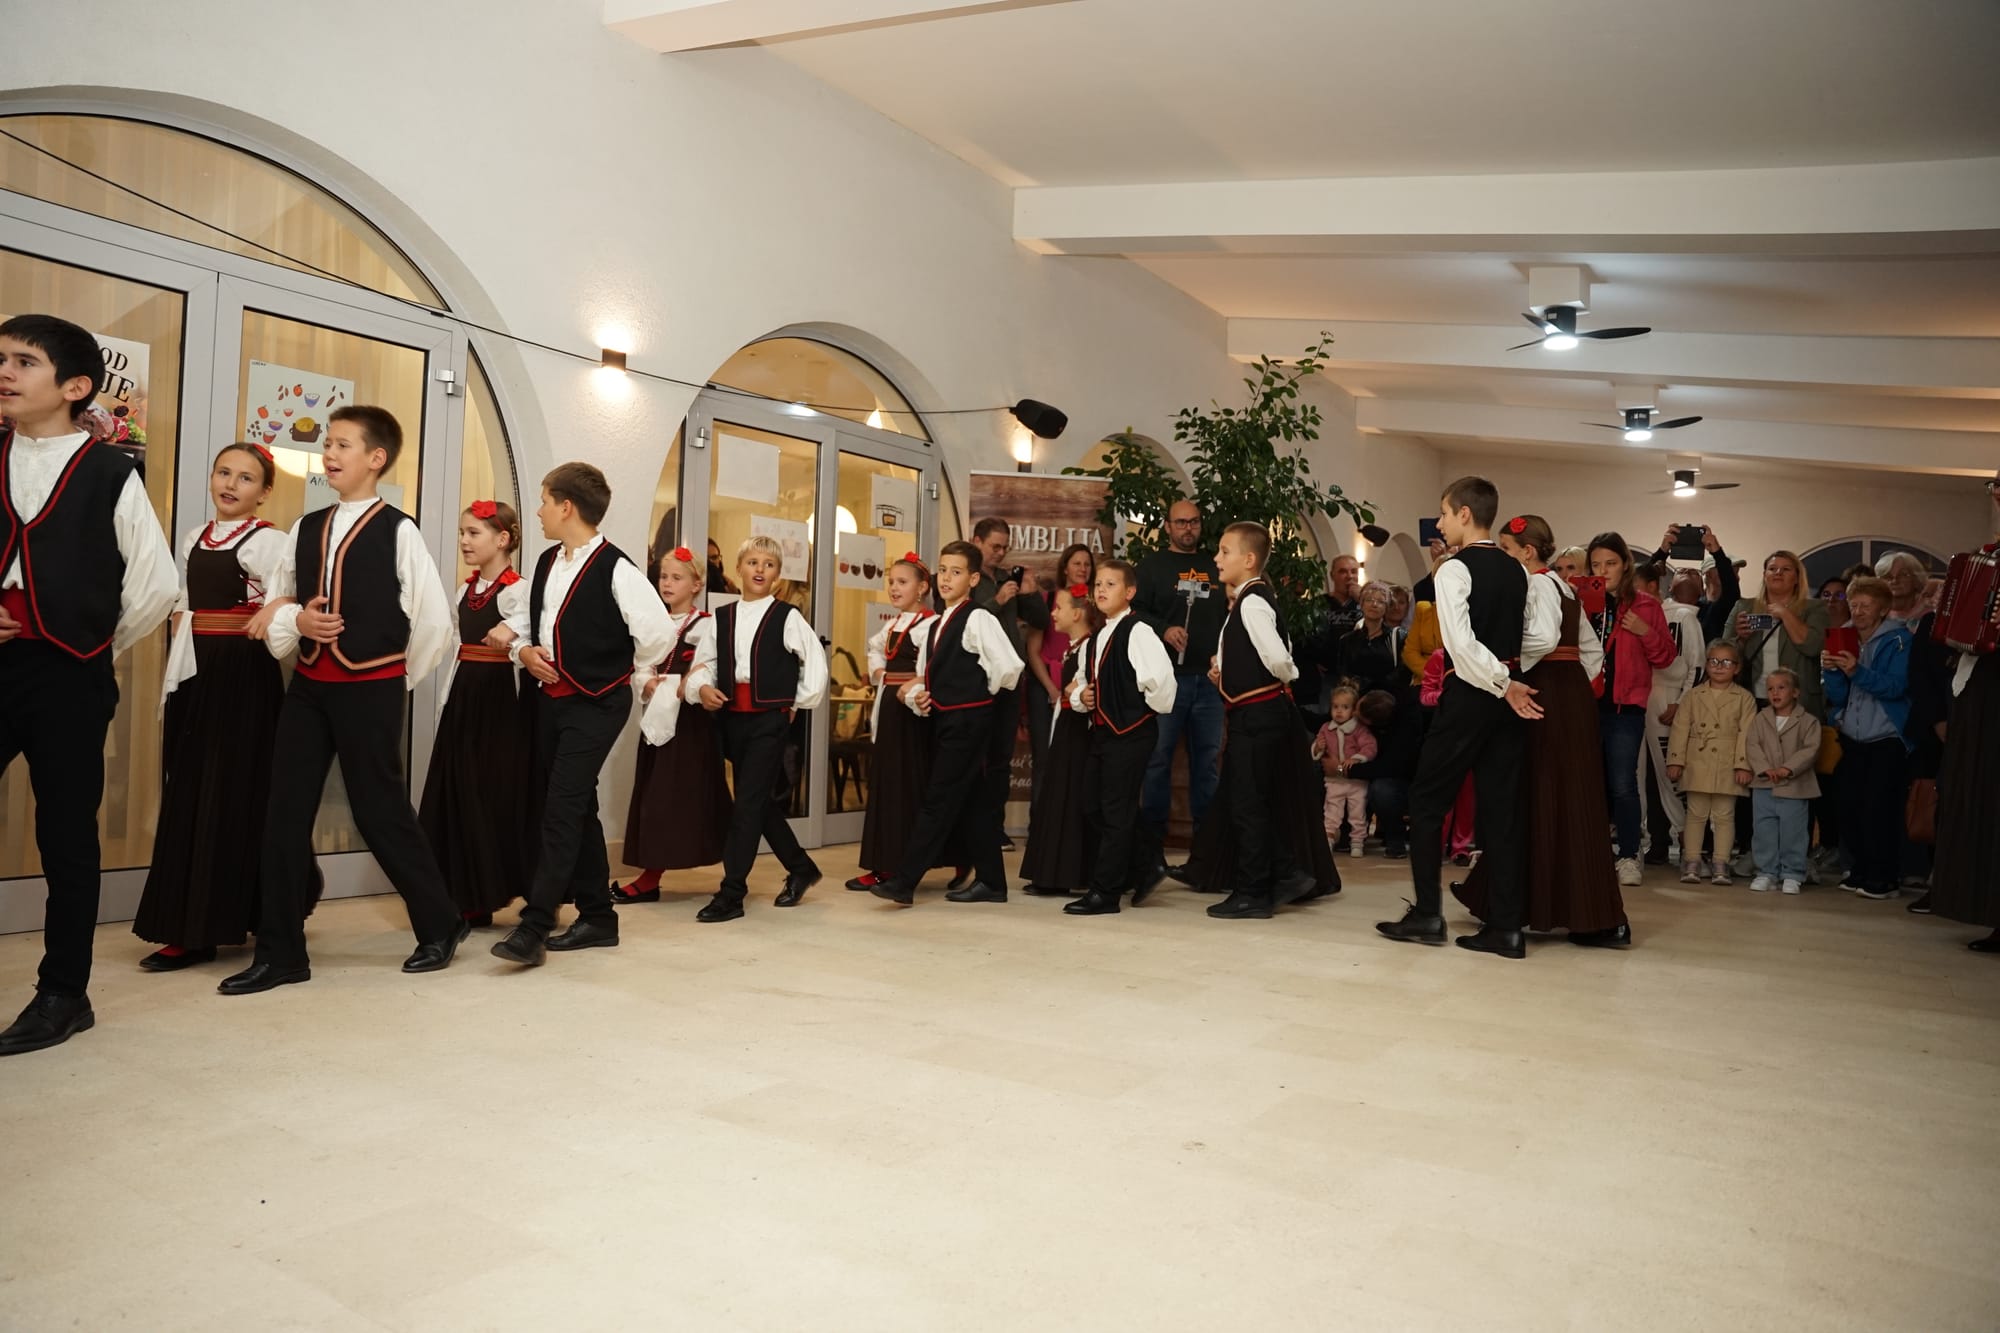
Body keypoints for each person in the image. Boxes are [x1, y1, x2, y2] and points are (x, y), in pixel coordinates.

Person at [221, 406, 466, 996]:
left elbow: (434, 621)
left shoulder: (398, 529)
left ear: (376, 458)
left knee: (380, 811)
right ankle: (281, 953)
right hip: (309, 687)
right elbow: (279, 602)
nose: (329, 453)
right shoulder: (306, 527)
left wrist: (389, 677)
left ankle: (440, 922)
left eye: (343, 445)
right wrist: (299, 621)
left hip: (370, 688)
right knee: (283, 814)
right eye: (327, 443)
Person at [0, 315, 175, 1052]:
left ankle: (64, 992)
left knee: (67, 835)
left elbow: (156, 585)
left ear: (75, 387)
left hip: (69, 674)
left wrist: (88, 644)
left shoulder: (110, 471)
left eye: (24, 361)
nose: (5, 372)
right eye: (2, 359)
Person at [483, 465, 674, 966]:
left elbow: (658, 637)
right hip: (549, 701)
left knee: (561, 808)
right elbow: (532, 625)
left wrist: (613, 666)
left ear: (566, 507)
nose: (539, 511)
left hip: (597, 703)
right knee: (575, 805)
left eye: (545, 501)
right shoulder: (547, 561)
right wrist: (523, 651)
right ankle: (598, 917)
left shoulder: (617, 569)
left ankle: (535, 925)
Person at [130, 443, 287, 972]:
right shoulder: (194, 537)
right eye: (224, 472)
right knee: (191, 789)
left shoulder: (270, 542)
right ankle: (192, 921)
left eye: (245, 478)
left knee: (237, 789)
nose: (230, 484)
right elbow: (180, 599)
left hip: (243, 675)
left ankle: (233, 918)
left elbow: (289, 597)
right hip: (195, 672)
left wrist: (274, 608)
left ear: (264, 492)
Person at [1378, 477, 1544, 960]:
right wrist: (1510, 677)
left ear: (1465, 514)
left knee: (1426, 802)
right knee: (1502, 810)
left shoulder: (1454, 568)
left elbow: (1459, 643)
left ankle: (1428, 915)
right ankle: (1506, 928)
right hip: (1507, 698)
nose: (1441, 523)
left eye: (1445, 513)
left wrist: (1501, 682)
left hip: (1474, 695)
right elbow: (1533, 637)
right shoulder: (1517, 569)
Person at [1452, 514, 1628, 947]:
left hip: (1543, 692)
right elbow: (1591, 652)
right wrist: (1576, 692)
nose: (1503, 558)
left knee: (1538, 793)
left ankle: (1520, 903)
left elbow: (1545, 639)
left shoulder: (1536, 585)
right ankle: (1575, 909)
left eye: (1507, 551)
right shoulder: (1566, 589)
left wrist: (1503, 655)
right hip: (1568, 694)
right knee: (1562, 797)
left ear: (1527, 552)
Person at [869, 541, 1023, 906]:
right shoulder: (938, 624)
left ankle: (904, 881)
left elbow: (1009, 668)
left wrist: (975, 694)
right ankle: (992, 882)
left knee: (937, 800)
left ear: (973, 579)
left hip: (968, 721)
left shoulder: (978, 618)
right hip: (947, 720)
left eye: (957, 572)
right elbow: (930, 674)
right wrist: (924, 694)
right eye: (943, 570)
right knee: (974, 803)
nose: (947, 579)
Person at [684, 534, 829, 922]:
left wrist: (795, 701)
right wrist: (703, 688)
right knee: (757, 801)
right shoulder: (722, 618)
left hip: (769, 720)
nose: (760, 569)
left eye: (769, 564)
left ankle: (731, 893)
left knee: (747, 806)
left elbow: (814, 663)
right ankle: (801, 867)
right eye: (753, 562)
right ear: (739, 569)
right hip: (731, 719)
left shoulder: (787, 616)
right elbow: (705, 663)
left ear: (778, 574)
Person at [1200, 521, 1323, 919]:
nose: (1217, 557)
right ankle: (1285, 873)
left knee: (1247, 803)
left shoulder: (1252, 602)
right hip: (1254, 712)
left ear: (1249, 559)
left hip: (1258, 715)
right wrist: (1225, 672)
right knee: (1248, 800)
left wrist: (1286, 675)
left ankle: (1253, 891)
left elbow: (1278, 656)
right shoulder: (1250, 599)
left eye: (1225, 551)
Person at [417, 498, 530, 929]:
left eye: (473, 533)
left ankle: (492, 890)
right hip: (465, 694)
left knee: (492, 791)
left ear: (502, 539)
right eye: (462, 533)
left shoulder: (520, 592)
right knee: (459, 789)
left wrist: (514, 632)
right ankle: (462, 891)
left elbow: (532, 637)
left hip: (499, 702)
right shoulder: (464, 591)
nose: (464, 541)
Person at [613, 545, 731, 904]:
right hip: (657, 721)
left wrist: (689, 684)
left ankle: (734, 872)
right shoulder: (655, 623)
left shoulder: (706, 626)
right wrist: (645, 680)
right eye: (663, 576)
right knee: (654, 797)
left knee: (696, 798)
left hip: (691, 725)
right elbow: (641, 662)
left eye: (676, 578)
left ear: (696, 584)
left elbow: (709, 667)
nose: (667, 583)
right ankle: (650, 876)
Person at [1062, 559, 1177, 916]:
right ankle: (1147, 863)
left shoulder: (1139, 631)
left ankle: (1106, 892)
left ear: (1129, 592)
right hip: (1103, 733)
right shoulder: (1097, 638)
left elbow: (1162, 683)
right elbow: (1083, 683)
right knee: (1094, 805)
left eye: (1110, 584)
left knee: (1115, 810)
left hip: (1131, 732)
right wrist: (1083, 697)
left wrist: (1138, 709)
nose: (1101, 590)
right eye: (1098, 584)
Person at [1927, 474, 2000, 951]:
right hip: (1984, 690)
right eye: (1996, 487)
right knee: (1981, 797)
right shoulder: (1990, 557)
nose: (1997, 496)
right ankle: (1990, 909)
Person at [1588, 533, 1680, 887]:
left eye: (1610, 563)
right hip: (1584, 704)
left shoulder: (1645, 605)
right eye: (1596, 564)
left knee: (1623, 782)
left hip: (1625, 706)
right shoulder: (1582, 603)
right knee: (1587, 781)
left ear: (1625, 564)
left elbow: (1666, 657)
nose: (1603, 570)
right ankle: (1591, 853)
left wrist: (1644, 631)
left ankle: (1628, 854)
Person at [1133, 500, 1226, 852]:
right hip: (1167, 679)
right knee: (1158, 759)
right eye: (1181, 522)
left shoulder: (1215, 565)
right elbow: (1133, 611)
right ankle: (1151, 845)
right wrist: (1164, 629)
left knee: (1208, 761)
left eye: (1194, 522)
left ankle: (1206, 845)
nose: (1188, 528)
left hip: (1210, 680)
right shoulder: (1151, 566)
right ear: (1168, 526)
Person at [845, 553, 938, 894]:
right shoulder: (892, 625)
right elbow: (874, 650)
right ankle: (884, 864)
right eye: (891, 582)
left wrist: (915, 683)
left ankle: (905, 863)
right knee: (886, 783)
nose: (894, 588)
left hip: (912, 710)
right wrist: (879, 671)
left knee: (907, 784)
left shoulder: (931, 625)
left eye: (903, 582)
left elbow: (933, 667)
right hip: (889, 705)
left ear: (922, 588)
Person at [1822, 576, 1914, 901]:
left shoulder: (1899, 640)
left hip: (1887, 737)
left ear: (1883, 609)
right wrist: (1832, 671)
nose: (1858, 611)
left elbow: (1895, 687)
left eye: (1866, 605)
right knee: (1848, 805)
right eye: (1855, 604)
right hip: (1852, 737)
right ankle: (1859, 870)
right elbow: (1838, 695)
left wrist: (1855, 671)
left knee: (1879, 809)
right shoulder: (1844, 636)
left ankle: (1884, 877)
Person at [1019, 579, 1103, 898]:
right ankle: (1054, 873)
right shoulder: (1074, 648)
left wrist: (1074, 693)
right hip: (1067, 731)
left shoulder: (1089, 649)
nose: (1053, 614)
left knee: (1072, 801)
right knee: (1060, 800)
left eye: (1059, 608)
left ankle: (1070, 873)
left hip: (1079, 735)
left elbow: (1090, 692)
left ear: (1077, 614)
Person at [970, 518, 1050, 849]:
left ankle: (995, 827)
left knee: (1001, 759)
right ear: (976, 542)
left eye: (1005, 547)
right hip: (976, 680)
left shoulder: (1007, 579)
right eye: (995, 546)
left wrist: (1029, 594)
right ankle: (970, 828)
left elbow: (1041, 621)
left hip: (1009, 681)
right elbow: (964, 623)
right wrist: (998, 601)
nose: (1001, 553)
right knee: (975, 757)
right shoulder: (967, 578)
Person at [1666, 640, 1757, 887]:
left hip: (1727, 763)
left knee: (1725, 815)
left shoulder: (1744, 698)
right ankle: (1692, 860)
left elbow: (1747, 734)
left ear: (1737, 668)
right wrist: (1676, 759)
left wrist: (1743, 764)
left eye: (1726, 662)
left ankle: (1721, 863)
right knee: (1696, 814)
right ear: (1706, 665)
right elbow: (1680, 729)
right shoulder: (1693, 695)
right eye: (1713, 661)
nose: (1719, 666)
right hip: (1698, 761)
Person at [1635, 561, 1703, 867]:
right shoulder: (1634, 614)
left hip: (1668, 698)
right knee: (1639, 775)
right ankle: (1645, 842)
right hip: (1638, 697)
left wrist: (1682, 702)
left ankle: (1692, 845)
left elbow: (1697, 664)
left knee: (1671, 772)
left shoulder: (1684, 616)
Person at [1728, 550, 1830, 722]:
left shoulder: (1815, 608)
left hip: (1799, 700)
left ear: (1797, 578)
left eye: (1786, 569)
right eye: (1772, 568)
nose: (1778, 573)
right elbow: (1723, 652)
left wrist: (1785, 613)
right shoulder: (1744, 606)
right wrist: (1741, 639)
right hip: (1753, 699)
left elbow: (1813, 646)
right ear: (1764, 575)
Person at [1746, 667, 1821, 895]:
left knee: (1793, 832)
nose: (1775, 693)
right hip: (1764, 786)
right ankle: (1766, 872)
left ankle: (1792, 873)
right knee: (1763, 830)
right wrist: (1764, 768)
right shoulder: (1760, 719)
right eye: (1770, 689)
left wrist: (1788, 768)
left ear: (1795, 692)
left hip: (1795, 788)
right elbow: (1752, 745)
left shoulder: (1808, 721)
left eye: (1781, 687)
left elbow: (1810, 750)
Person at [1348, 688, 1418, 859]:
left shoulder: (1407, 725)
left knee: (1382, 790)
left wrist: (1344, 770)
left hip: (1406, 777)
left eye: (1357, 713)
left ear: (1370, 723)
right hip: (1372, 768)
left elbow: (1390, 767)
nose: (1353, 713)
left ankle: (1395, 840)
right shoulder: (1378, 694)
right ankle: (1349, 837)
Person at [1645, 525, 1741, 645]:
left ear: (1701, 589)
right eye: (1680, 571)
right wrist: (1662, 552)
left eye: (1694, 573)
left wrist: (1717, 552)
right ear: (1670, 587)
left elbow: (1731, 591)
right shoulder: (1659, 608)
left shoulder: (1711, 613)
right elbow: (1639, 582)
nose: (1687, 570)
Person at [1315, 685, 1376, 857]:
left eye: (1345, 707)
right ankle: (1328, 839)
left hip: (1356, 783)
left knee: (1357, 812)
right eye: (1335, 707)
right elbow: (1318, 750)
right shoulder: (1326, 728)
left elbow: (1370, 747)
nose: (1339, 711)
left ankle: (1357, 841)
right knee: (1331, 811)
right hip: (1334, 780)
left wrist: (1356, 758)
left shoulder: (1360, 729)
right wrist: (1318, 748)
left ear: (1354, 709)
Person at [1337, 583, 1404, 698]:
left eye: (1380, 601)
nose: (1374, 604)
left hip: (1387, 700)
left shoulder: (1398, 637)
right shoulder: (1346, 640)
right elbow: (1343, 673)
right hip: (1356, 699)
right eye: (1369, 600)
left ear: (1387, 607)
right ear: (1361, 604)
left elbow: (1400, 674)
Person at [1874, 551, 1928, 626]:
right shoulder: (1873, 615)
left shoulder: (1931, 615)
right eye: (1887, 576)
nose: (1894, 581)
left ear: (1917, 579)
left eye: (1903, 574)